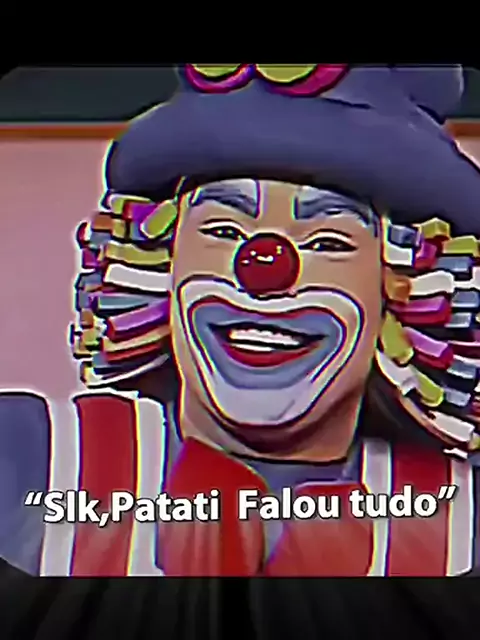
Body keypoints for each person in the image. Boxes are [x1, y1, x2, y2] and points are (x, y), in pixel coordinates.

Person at [2, 64, 480, 577]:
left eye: (328, 242)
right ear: (162, 266)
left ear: (401, 288)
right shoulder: (26, 459)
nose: (263, 270)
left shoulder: (464, 523)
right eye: (224, 230)